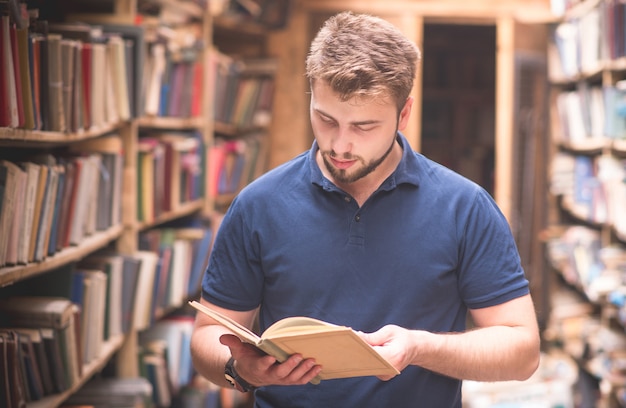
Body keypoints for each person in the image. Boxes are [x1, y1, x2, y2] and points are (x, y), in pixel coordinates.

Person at [190, 10, 540, 407]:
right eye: (325, 119)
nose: (340, 144)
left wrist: (420, 347)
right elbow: (206, 338)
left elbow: (522, 350)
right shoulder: (258, 205)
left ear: (403, 114)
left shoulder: (465, 207)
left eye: (363, 127)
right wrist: (240, 370)